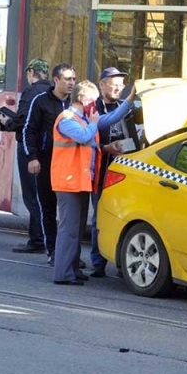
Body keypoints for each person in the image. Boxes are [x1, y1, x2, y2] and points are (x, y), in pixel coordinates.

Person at [0, 58, 53, 253]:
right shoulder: (51, 91)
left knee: (32, 196)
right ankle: (45, 239)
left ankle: (38, 240)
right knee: (43, 196)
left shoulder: (31, 92)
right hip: (46, 149)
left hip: (29, 150)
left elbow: (21, 122)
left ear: (31, 72)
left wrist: (2, 121)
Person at [22, 63, 76, 266]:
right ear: (55, 80)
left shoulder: (75, 102)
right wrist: (32, 157)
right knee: (48, 208)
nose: (71, 83)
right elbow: (29, 130)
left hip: (69, 165)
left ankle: (70, 254)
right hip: (45, 162)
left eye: (73, 79)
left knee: (70, 211)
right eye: (67, 79)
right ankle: (53, 251)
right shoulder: (41, 101)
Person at [50, 80, 102, 285]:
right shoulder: (67, 118)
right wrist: (95, 123)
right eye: (93, 101)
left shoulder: (82, 120)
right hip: (68, 182)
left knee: (77, 229)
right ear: (83, 99)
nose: (95, 105)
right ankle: (63, 274)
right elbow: (82, 138)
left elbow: (89, 143)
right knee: (69, 230)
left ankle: (72, 269)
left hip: (80, 181)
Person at [89, 67, 136, 278]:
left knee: (123, 218)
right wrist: (108, 148)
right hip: (100, 174)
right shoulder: (92, 108)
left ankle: (120, 265)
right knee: (99, 218)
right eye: (114, 84)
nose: (118, 88)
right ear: (102, 85)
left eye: (121, 85)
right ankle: (97, 263)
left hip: (123, 176)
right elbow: (90, 138)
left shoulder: (124, 109)